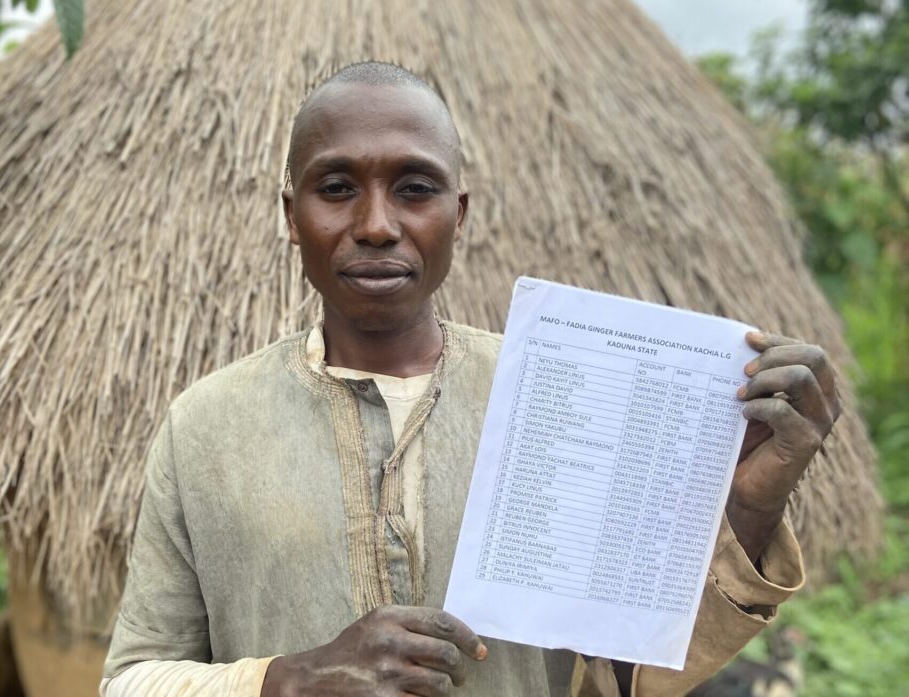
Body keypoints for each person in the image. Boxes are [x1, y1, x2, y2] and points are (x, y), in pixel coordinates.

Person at [100, 61, 838, 697]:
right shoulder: (206, 424)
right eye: (336, 187)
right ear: (292, 215)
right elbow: (131, 677)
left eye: (415, 188)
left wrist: (751, 501)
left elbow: (629, 673)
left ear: (459, 213)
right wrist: (289, 677)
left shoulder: (569, 400)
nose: (378, 224)